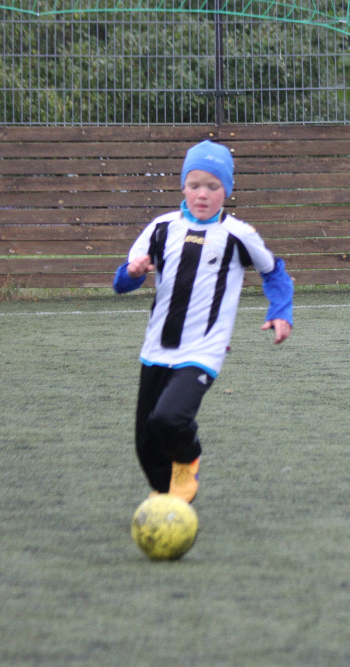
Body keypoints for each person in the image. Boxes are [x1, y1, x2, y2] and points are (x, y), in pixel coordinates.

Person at [112, 140, 294, 502]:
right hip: (156, 348)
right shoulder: (161, 228)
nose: (202, 194)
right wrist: (132, 273)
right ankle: (168, 499)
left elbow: (274, 272)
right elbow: (121, 283)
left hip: (204, 350)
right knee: (146, 443)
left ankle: (188, 456)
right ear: (183, 186)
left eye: (213, 186)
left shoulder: (238, 235)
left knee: (169, 418)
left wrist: (280, 311)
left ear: (227, 190)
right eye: (194, 185)